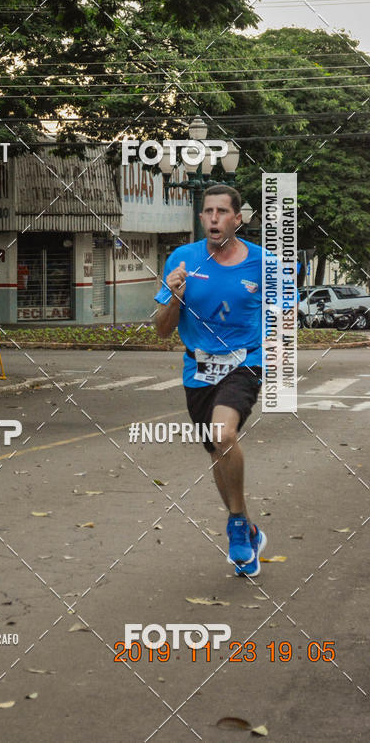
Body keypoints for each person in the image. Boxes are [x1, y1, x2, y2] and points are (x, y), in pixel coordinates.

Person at [155, 185, 265, 577]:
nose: (214, 218)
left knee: (223, 434)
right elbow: (162, 331)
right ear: (201, 218)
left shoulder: (262, 263)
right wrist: (175, 297)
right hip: (197, 369)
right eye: (207, 212)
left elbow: (284, 318)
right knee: (218, 452)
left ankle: (236, 526)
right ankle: (247, 527)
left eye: (222, 211)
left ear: (238, 219)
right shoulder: (182, 260)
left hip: (244, 363)